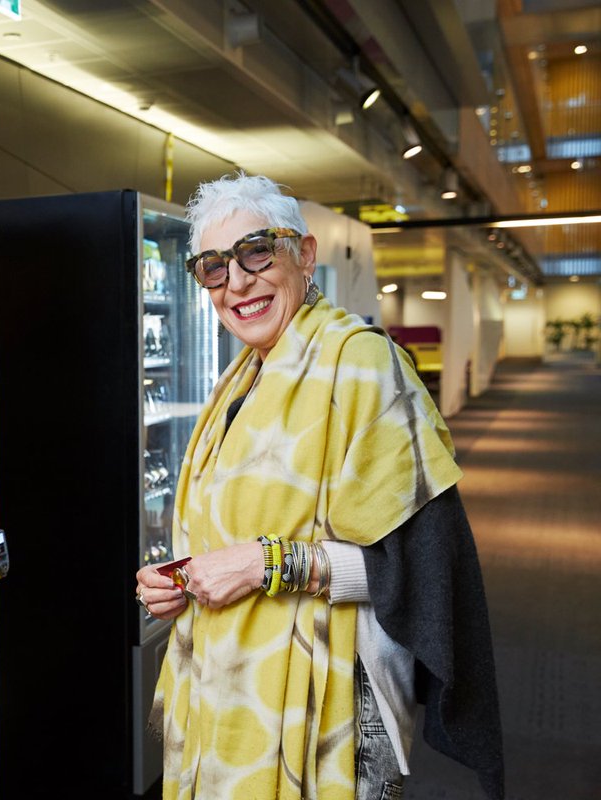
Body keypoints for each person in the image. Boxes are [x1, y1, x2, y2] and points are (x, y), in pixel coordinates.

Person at [133, 172, 503, 800]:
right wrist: (181, 579)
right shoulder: (239, 380)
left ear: (304, 255)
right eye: (214, 268)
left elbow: (420, 566)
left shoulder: (363, 365)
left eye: (256, 252)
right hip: (227, 698)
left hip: (333, 718)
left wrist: (265, 565)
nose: (237, 282)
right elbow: (233, 533)